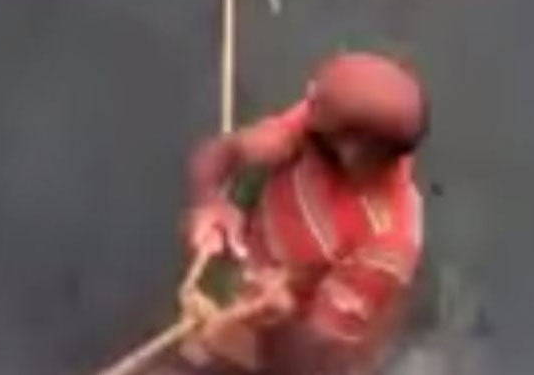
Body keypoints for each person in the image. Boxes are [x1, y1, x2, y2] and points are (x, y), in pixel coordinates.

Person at [180, 51, 429, 375]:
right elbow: (222, 153)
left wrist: (279, 317)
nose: (302, 117)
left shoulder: (387, 242)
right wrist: (210, 203)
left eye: (315, 117)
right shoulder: (323, 123)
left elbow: (314, 365)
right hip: (246, 276)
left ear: (357, 151)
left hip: (286, 340)